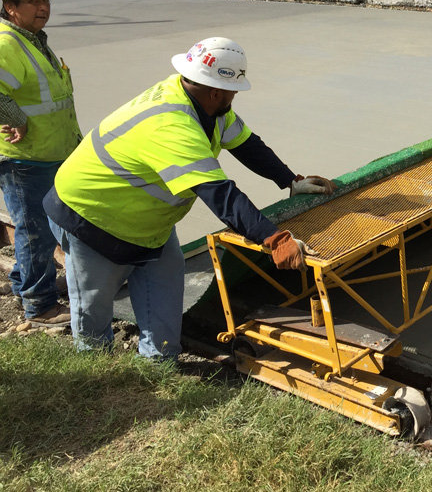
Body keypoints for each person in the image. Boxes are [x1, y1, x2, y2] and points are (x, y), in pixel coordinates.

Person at [44, 37, 335, 359]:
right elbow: (219, 194)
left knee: (164, 302)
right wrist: (275, 239)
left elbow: (247, 144)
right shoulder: (171, 123)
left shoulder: (205, 104)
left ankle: (159, 364)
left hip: (149, 226)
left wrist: (289, 180)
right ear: (216, 91)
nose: (235, 96)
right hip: (93, 219)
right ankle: (94, 369)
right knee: (93, 308)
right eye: (233, 90)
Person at [0, 0, 82, 326]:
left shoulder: (31, 39)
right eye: (32, 1)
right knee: (35, 231)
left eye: (44, 0)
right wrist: (14, 116)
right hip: (25, 158)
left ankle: (24, 285)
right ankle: (40, 306)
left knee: (38, 228)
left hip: (48, 151)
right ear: (10, 6)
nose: (43, 7)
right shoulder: (7, 43)